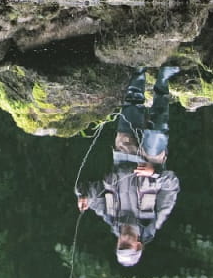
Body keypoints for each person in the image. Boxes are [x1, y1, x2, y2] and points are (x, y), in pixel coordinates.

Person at [76, 65, 182, 267]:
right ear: (138, 246)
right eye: (127, 246)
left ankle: (139, 71)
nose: (123, 241)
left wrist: (83, 196)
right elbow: (172, 187)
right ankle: (162, 81)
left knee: (131, 106)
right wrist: (155, 174)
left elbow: (91, 191)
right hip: (151, 160)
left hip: (124, 152)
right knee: (157, 130)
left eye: (120, 246)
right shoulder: (153, 221)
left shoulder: (111, 217)